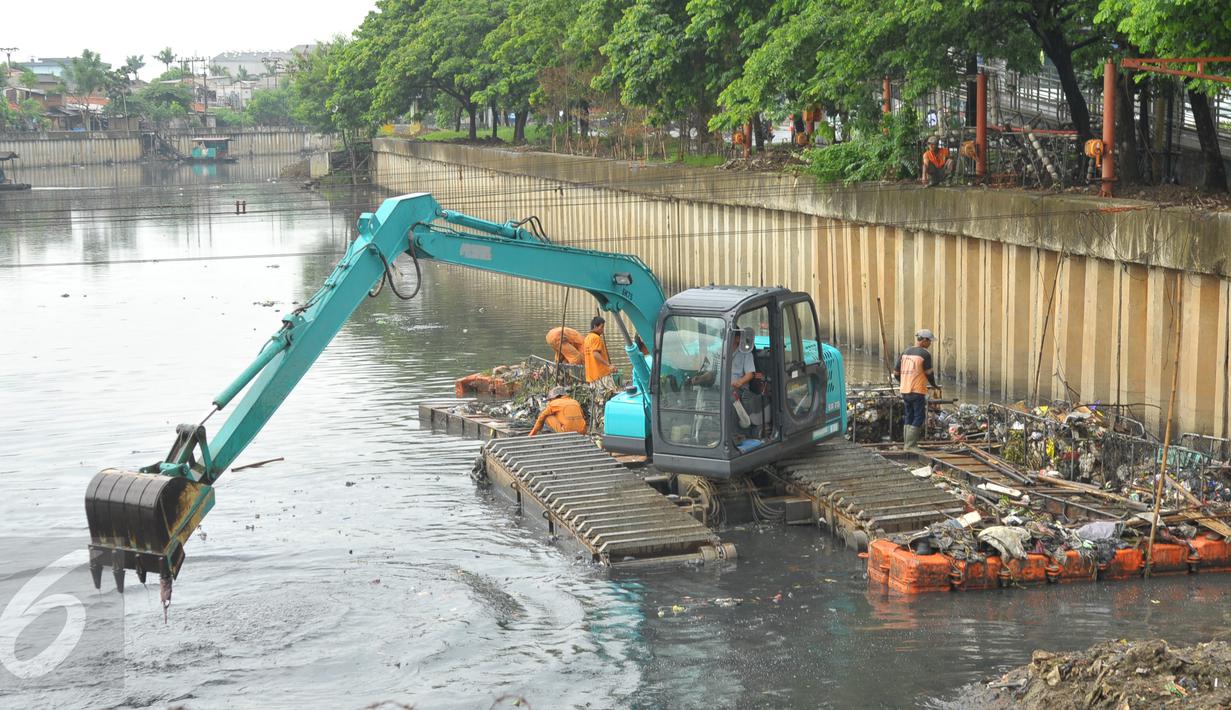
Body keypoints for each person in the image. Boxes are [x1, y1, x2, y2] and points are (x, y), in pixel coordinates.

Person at [687, 329, 762, 435]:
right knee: (702, 396)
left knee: (729, 399)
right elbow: (710, 373)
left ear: (738, 338)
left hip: (737, 389)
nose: (725, 340)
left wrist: (740, 382)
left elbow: (750, 374)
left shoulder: (745, 354)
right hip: (718, 388)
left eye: (729, 336)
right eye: (724, 337)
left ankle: (731, 433)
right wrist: (701, 379)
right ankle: (703, 431)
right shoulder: (717, 353)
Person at [894, 329, 940, 451]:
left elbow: (896, 373)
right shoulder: (924, 354)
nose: (930, 344)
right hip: (917, 390)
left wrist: (904, 382)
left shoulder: (905, 352)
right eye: (929, 341)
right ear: (924, 340)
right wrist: (934, 385)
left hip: (905, 390)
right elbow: (929, 373)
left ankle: (907, 444)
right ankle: (911, 446)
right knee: (919, 416)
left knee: (909, 415)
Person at [583, 316, 616, 426]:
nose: (603, 330)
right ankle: (609, 422)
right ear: (595, 327)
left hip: (592, 376)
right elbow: (596, 354)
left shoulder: (587, 338)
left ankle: (597, 423)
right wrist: (609, 365)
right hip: (602, 374)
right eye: (601, 327)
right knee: (613, 395)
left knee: (598, 401)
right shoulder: (596, 338)